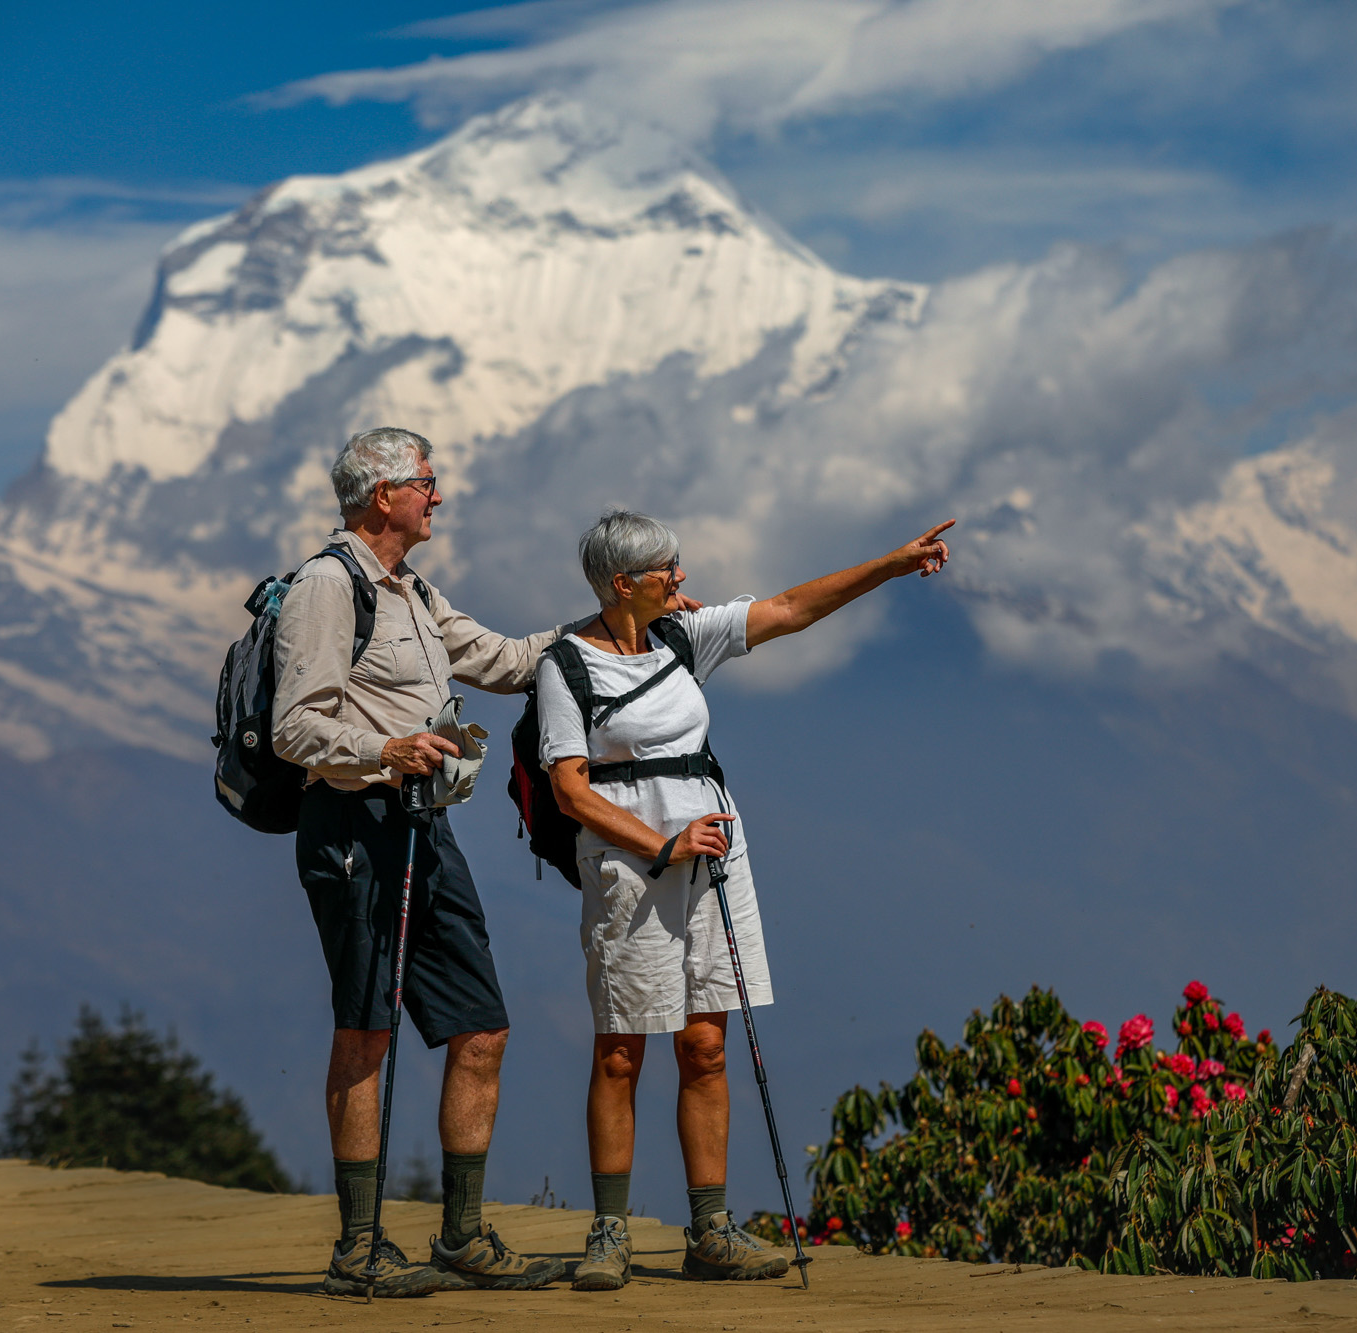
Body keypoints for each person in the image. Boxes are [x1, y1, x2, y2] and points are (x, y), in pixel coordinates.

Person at [537, 509, 955, 1289]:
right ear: (625, 583)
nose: (682, 577)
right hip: (631, 869)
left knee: (704, 1044)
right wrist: (657, 843)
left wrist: (892, 565)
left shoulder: (681, 636)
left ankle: (711, 1228)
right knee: (622, 1047)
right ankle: (609, 1232)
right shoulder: (568, 665)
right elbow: (568, 790)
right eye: (668, 567)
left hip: (712, 859)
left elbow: (792, 609)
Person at [273, 426, 571, 1298]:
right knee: (366, 1031)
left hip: (421, 825)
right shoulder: (327, 588)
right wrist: (383, 747)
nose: (437, 496)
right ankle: (357, 1248)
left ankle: (461, 1237)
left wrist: (616, 625)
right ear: (382, 496)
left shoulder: (410, 590)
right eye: (427, 483)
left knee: (483, 1026)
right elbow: (296, 726)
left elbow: (508, 660)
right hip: (353, 825)